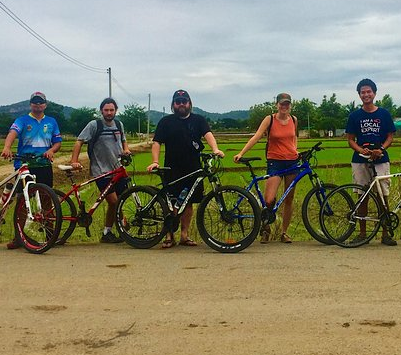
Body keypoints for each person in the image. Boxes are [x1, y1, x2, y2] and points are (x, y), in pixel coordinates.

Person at [147, 89, 224, 248]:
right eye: (178, 101)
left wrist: (215, 149)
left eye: (184, 101)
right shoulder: (166, 122)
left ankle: (184, 235)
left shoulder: (198, 120)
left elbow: (208, 134)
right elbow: (156, 143)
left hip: (193, 167)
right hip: (172, 167)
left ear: (190, 103)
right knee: (171, 202)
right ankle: (168, 236)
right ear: (173, 104)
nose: (181, 104)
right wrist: (155, 161)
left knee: (188, 202)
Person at [233, 93, 299, 244]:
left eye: (287, 104)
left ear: (290, 105)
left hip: (292, 162)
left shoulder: (294, 120)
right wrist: (241, 153)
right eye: (282, 104)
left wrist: (295, 150)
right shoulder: (270, 119)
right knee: (269, 199)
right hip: (275, 161)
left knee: (288, 198)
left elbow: (294, 138)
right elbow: (256, 137)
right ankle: (265, 228)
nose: (284, 107)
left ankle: (284, 232)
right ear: (277, 105)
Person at [1, 91, 62, 249]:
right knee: (22, 200)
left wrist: (52, 151)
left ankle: (51, 236)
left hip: (44, 165)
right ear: (31, 104)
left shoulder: (52, 121)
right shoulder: (22, 120)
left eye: (40, 102)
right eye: (35, 102)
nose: (37, 105)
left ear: (45, 105)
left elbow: (57, 142)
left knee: (47, 200)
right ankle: (18, 237)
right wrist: (7, 147)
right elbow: (12, 133)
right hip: (25, 166)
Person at [69, 97, 132, 244]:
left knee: (118, 202)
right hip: (101, 171)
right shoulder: (94, 125)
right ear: (101, 111)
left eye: (112, 110)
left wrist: (126, 149)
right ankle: (123, 226)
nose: (109, 113)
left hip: (117, 169)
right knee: (115, 202)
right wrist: (74, 161)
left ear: (116, 110)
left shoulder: (119, 124)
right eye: (106, 110)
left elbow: (123, 140)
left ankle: (107, 232)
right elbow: (79, 141)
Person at [345, 78, 397, 246]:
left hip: (381, 158)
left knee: (383, 196)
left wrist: (381, 149)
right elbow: (350, 140)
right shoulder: (355, 116)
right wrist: (361, 150)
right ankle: (362, 233)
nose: (366, 94)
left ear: (374, 93)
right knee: (362, 195)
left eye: (369, 91)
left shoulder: (384, 114)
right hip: (360, 160)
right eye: (363, 92)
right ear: (359, 95)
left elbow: (390, 136)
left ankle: (385, 233)